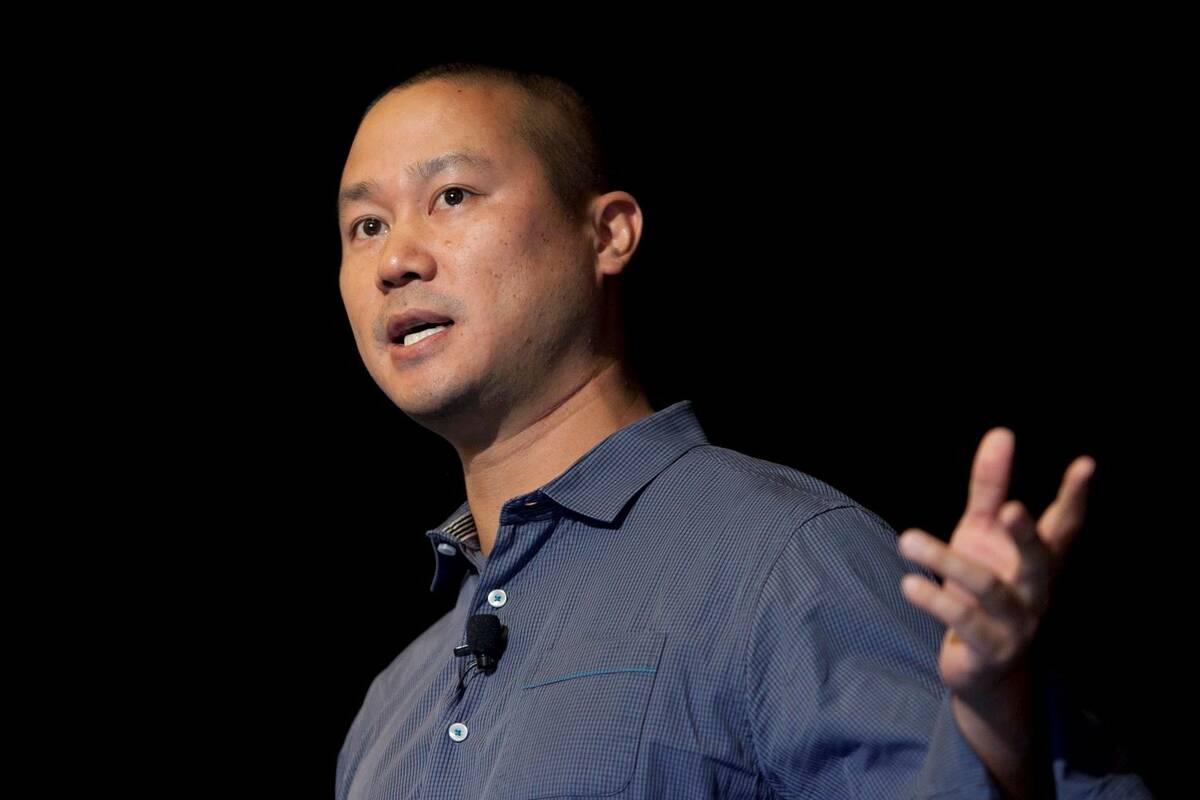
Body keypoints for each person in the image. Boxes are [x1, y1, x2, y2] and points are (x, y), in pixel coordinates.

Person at [333, 62, 1151, 799]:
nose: (395, 259)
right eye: (365, 225)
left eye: (452, 197)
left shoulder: (780, 557)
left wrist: (996, 733)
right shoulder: (389, 712)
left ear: (608, 233)